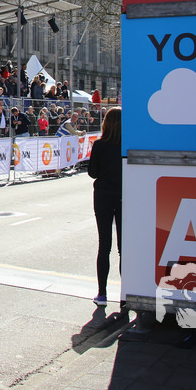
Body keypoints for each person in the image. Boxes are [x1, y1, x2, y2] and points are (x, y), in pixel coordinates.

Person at [87, 107, 122, 306]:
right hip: (124, 195)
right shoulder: (127, 145)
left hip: (103, 195)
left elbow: (93, 173)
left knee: (104, 245)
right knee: (124, 248)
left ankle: (102, 294)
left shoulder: (100, 145)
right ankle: (126, 295)